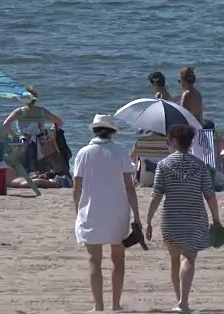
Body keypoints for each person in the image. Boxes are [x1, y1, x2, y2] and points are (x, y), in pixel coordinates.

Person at [145, 125, 222, 312]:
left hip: (171, 218)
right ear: (190, 143)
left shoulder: (163, 165)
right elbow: (210, 195)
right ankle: (183, 303)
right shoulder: (200, 165)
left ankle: (179, 301)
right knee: (188, 258)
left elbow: (156, 195)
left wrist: (148, 220)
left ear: (172, 141)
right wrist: (216, 219)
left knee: (174, 260)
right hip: (195, 218)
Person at [73, 114, 141, 312]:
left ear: (94, 130)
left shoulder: (84, 153)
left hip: (91, 211)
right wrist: (136, 215)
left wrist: (78, 210)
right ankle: (116, 304)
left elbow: (76, 187)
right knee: (117, 259)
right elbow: (129, 187)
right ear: (112, 131)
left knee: (94, 260)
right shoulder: (120, 152)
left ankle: (98, 306)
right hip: (117, 212)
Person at [3, 86, 63, 172]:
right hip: (41, 141)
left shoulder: (19, 112)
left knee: (21, 166)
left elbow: (6, 125)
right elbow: (59, 122)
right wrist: (52, 132)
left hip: (24, 141)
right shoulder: (42, 111)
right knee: (42, 167)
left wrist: (16, 137)